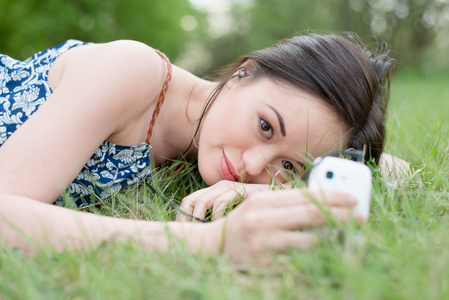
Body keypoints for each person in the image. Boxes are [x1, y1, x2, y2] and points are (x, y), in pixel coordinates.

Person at [0, 33, 395, 264]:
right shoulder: (130, 70)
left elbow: (394, 168)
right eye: (265, 126)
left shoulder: (205, 144)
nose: (251, 164)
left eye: (288, 164)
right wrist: (212, 242)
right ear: (244, 73)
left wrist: (270, 188)